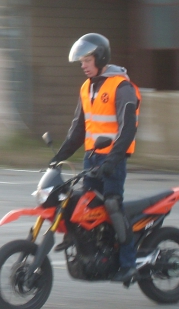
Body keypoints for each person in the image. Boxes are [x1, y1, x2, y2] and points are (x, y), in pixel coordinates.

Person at [49, 33, 141, 282]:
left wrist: (112, 160)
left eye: (87, 60)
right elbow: (78, 130)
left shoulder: (121, 87)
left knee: (112, 205)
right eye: (81, 61)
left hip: (113, 161)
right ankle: (87, 247)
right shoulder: (86, 88)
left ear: (100, 58)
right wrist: (58, 157)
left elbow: (127, 129)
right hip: (91, 160)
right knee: (80, 205)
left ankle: (129, 263)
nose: (83, 65)